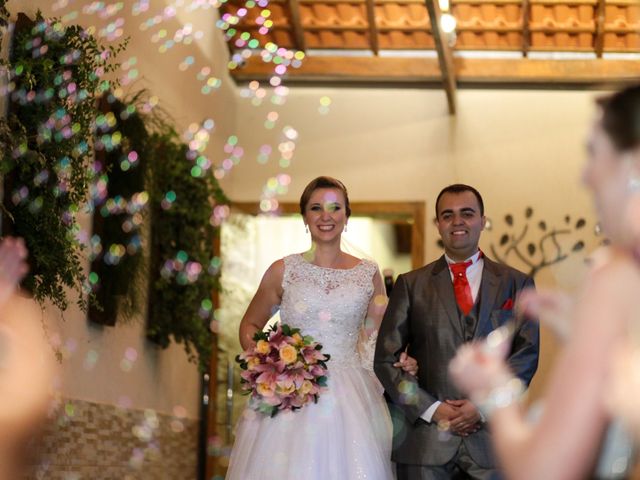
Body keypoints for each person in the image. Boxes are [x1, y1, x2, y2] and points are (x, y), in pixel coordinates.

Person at [448, 84, 640, 480]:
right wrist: (586, 334)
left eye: (593, 153)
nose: (586, 176)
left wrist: (494, 391)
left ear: (633, 164)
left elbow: (545, 470)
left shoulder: (617, 275)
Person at [226, 176, 417, 480]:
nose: (325, 216)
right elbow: (250, 325)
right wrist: (271, 361)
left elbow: (376, 339)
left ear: (346, 216)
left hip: (350, 394)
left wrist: (399, 359)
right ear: (304, 217)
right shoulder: (282, 270)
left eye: (334, 207)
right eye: (316, 208)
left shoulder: (368, 273)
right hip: (290, 393)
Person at [374, 184, 540, 480]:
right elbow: (386, 359)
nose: (457, 221)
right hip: (425, 445)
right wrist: (432, 409)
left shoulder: (517, 283)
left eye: (467, 213)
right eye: (447, 215)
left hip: (493, 445)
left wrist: (483, 406)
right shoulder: (411, 284)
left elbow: (526, 356)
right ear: (437, 224)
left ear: (482, 220)